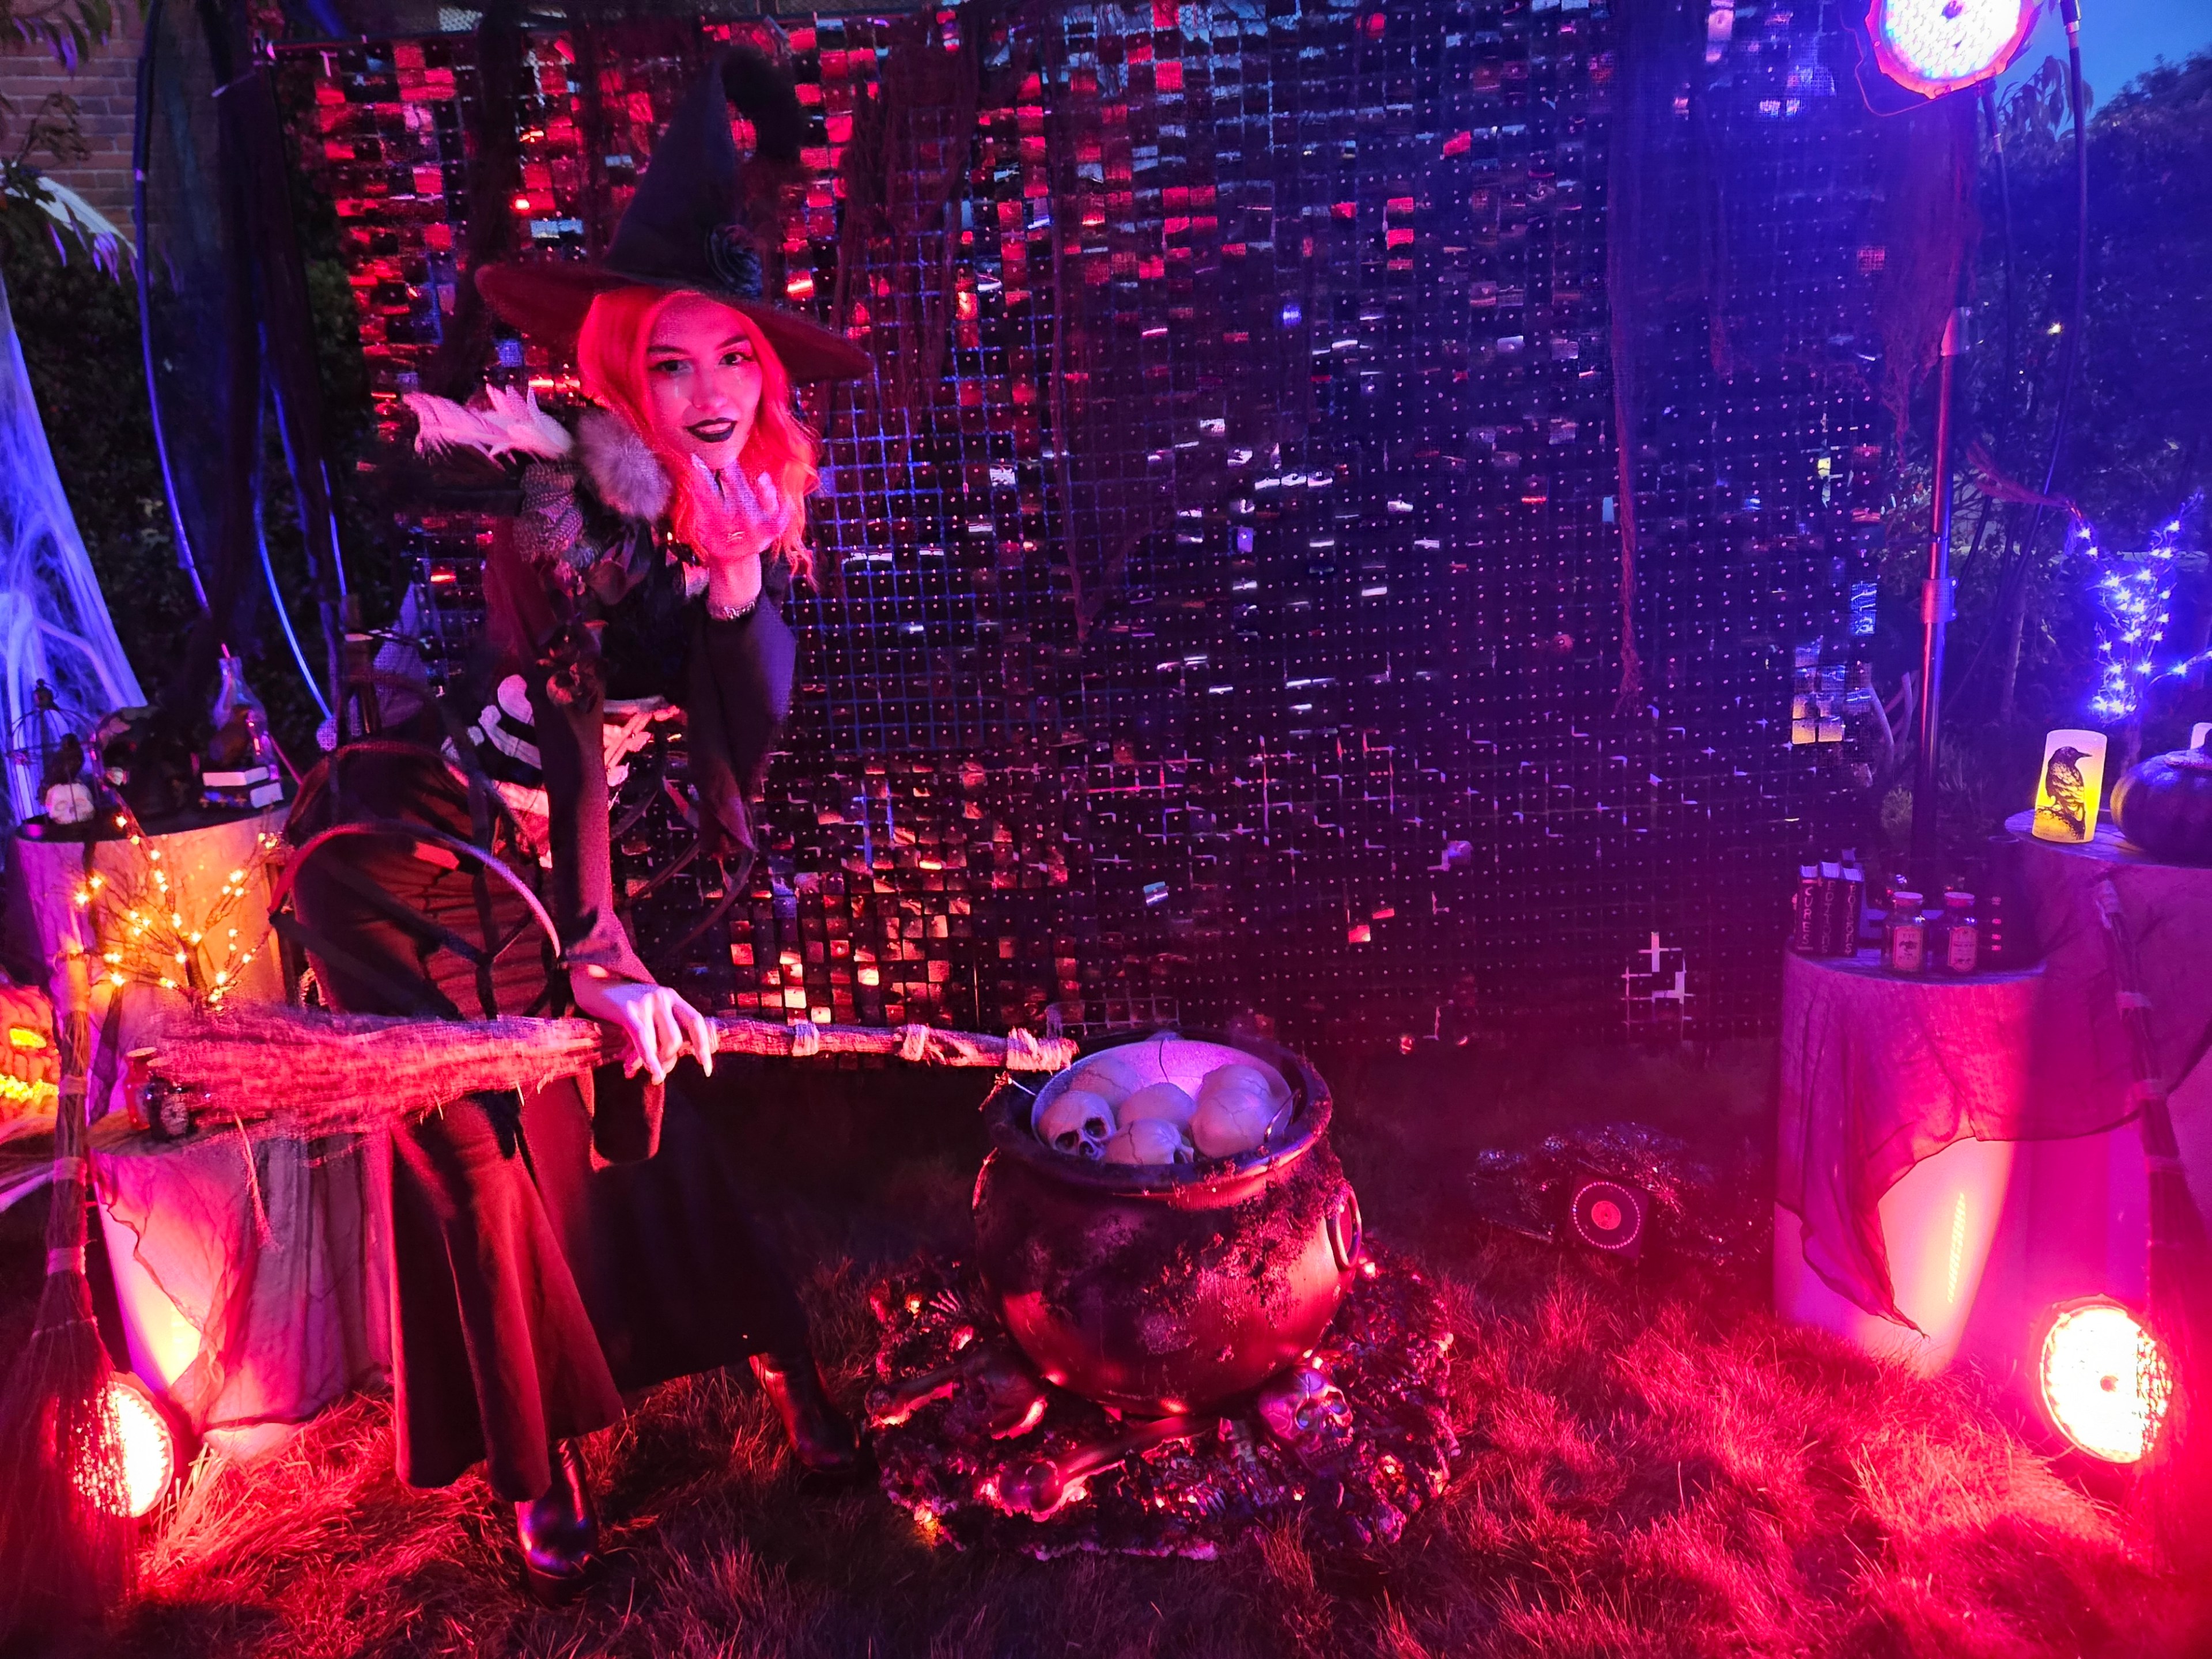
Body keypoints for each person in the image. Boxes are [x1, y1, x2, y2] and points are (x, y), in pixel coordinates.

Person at [286, 48, 872, 1601]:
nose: (711, 397)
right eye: (671, 369)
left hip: (555, 867)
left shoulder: (735, 503)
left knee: (654, 1111)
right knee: (480, 1162)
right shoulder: (547, 502)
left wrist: (743, 590)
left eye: (733, 360)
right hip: (416, 861)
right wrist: (602, 946)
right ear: (615, 374)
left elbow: (746, 736)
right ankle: (535, 1484)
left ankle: (786, 1377)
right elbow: (569, 732)